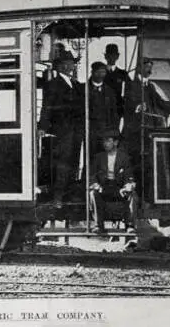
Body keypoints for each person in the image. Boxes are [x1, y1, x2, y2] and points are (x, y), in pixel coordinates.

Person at [123, 57, 170, 198]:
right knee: (136, 161)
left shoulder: (150, 86)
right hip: (135, 130)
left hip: (148, 129)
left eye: (150, 67)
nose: (150, 70)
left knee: (148, 163)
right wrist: (136, 107)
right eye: (147, 67)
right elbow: (126, 102)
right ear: (140, 68)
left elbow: (160, 102)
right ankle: (136, 193)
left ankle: (147, 194)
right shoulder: (131, 85)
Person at [38, 50, 84, 205]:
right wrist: (42, 126)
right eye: (71, 62)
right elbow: (47, 107)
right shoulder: (54, 85)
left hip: (76, 131)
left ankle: (69, 194)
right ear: (63, 65)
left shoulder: (76, 84)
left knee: (73, 162)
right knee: (62, 164)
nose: (73, 65)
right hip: (62, 131)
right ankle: (58, 196)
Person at [88, 130, 138, 233]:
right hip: (103, 187)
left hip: (119, 188)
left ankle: (130, 225)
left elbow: (129, 176)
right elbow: (92, 176)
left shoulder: (124, 158)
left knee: (133, 195)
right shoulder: (98, 157)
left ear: (115, 142)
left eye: (108, 141)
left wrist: (128, 185)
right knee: (93, 193)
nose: (105, 143)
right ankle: (98, 225)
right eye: (104, 141)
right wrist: (95, 185)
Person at [88, 62, 120, 155]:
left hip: (106, 131)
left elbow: (114, 113)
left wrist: (114, 131)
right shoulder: (84, 89)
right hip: (90, 131)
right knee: (90, 156)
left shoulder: (110, 91)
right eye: (98, 72)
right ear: (92, 72)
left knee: (103, 157)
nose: (100, 75)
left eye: (103, 72)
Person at [103, 44, 128, 122]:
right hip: (102, 108)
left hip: (117, 108)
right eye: (109, 55)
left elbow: (129, 91)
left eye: (114, 55)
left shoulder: (123, 74)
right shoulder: (99, 72)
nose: (111, 58)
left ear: (117, 56)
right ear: (105, 56)